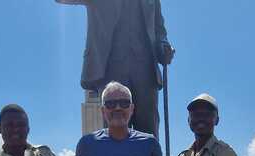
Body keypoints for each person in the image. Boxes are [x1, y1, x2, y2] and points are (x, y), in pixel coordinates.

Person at [56, 0, 174, 138]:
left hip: (146, 70)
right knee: (114, 129)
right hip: (110, 67)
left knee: (148, 131)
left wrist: (164, 45)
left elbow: (159, 29)